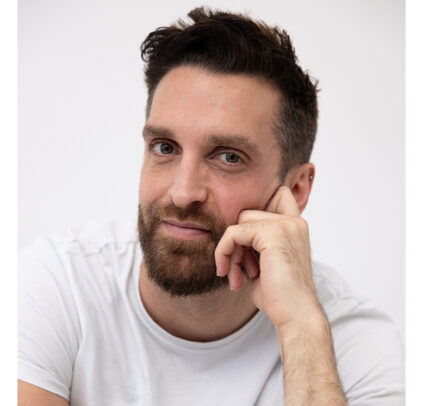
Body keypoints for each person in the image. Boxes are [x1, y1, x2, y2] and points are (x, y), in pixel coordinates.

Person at [18, 7, 404, 405]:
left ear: (295, 189)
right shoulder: (59, 285)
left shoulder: (353, 343)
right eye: (165, 148)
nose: (183, 192)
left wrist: (300, 327)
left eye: (229, 157)